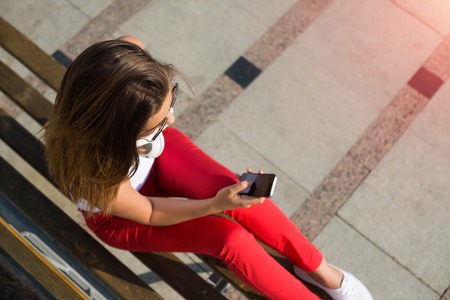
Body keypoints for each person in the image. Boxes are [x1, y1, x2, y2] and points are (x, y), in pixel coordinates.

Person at [44, 35, 373, 300]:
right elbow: (149, 211)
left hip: (152, 161)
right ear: (120, 131)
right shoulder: (95, 175)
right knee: (230, 239)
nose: (171, 119)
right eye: (156, 123)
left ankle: (322, 271)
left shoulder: (124, 61)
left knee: (239, 194)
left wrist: (221, 197)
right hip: (123, 213)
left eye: (169, 102)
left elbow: (134, 51)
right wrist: (215, 206)